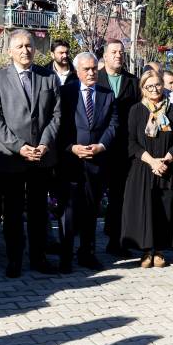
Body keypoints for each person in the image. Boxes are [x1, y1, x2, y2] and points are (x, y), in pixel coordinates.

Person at [0, 29, 61, 277]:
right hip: (12, 157)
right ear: (9, 51)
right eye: (19, 46)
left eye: (29, 46)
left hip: (41, 155)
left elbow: (57, 115)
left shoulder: (49, 78)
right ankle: (14, 259)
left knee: (39, 212)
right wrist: (20, 147)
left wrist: (44, 143)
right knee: (14, 212)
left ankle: (39, 258)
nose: (25, 50)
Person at [55, 52, 119, 272]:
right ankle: (65, 255)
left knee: (91, 210)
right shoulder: (65, 93)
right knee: (69, 211)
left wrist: (101, 146)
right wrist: (72, 147)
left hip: (96, 161)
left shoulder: (107, 95)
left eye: (94, 68)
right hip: (71, 162)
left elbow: (113, 125)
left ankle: (87, 253)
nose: (92, 73)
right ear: (77, 71)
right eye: (86, 69)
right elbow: (58, 126)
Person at [122, 69, 173, 266]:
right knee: (146, 209)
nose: (154, 89)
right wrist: (152, 161)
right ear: (143, 89)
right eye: (149, 86)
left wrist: (166, 159)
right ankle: (146, 251)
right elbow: (132, 142)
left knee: (164, 209)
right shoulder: (136, 111)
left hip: (168, 168)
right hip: (144, 167)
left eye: (157, 85)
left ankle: (160, 250)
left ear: (163, 85)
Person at [99, 40, 138, 255]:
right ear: (105, 56)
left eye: (121, 52)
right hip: (99, 146)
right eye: (114, 52)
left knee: (119, 197)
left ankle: (117, 242)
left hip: (123, 148)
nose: (118, 56)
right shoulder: (96, 79)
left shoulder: (133, 82)